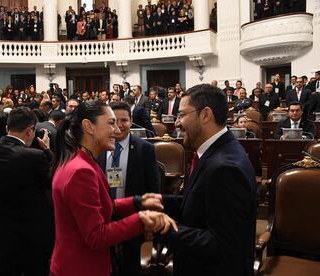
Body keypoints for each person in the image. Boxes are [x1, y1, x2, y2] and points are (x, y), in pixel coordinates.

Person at [51, 101, 177, 276]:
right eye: (111, 123)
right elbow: (96, 236)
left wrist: (137, 202)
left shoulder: (85, 162)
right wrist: (142, 219)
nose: (117, 130)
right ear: (89, 126)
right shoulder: (81, 171)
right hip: (81, 268)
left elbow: (102, 206)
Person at [158, 84, 257, 275]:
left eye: (182, 115)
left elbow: (221, 244)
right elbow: (200, 203)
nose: (177, 123)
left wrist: (163, 229)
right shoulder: (214, 152)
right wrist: (157, 202)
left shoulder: (225, 168)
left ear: (205, 115)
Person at [0, 107, 54, 276]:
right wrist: (48, 151)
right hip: (34, 235)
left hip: (4, 230)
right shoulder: (35, 156)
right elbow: (53, 182)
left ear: (8, 127)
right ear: (30, 130)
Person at [97, 101, 161, 275]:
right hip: (104, 221)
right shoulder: (99, 148)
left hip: (134, 219)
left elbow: (153, 187)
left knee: (131, 266)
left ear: (131, 121)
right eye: (113, 121)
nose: (119, 125)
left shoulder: (144, 149)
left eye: (124, 120)